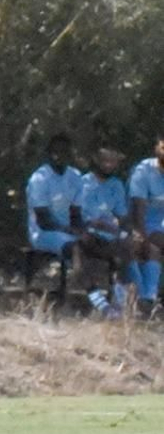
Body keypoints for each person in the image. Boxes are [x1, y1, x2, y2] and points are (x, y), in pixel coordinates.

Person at [25, 133, 109, 316]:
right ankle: (98, 301)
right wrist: (73, 232)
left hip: (67, 232)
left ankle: (123, 296)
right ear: (48, 153)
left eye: (63, 152)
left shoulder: (75, 177)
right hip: (43, 234)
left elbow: (76, 215)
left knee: (105, 244)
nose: (59, 156)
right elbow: (43, 221)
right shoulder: (39, 179)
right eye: (55, 152)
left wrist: (83, 231)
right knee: (77, 247)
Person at [79, 146, 135, 316]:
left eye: (113, 161)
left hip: (109, 234)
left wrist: (128, 231)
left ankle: (119, 304)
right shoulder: (83, 183)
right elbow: (86, 218)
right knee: (82, 251)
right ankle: (100, 304)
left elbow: (122, 215)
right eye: (105, 160)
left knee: (128, 247)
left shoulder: (116, 185)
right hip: (86, 232)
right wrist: (113, 228)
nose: (109, 165)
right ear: (96, 160)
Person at [128, 128, 164, 316]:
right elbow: (137, 211)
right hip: (138, 226)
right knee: (152, 249)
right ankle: (146, 299)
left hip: (160, 226)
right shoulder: (143, 171)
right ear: (157, 148)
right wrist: (142, 236)